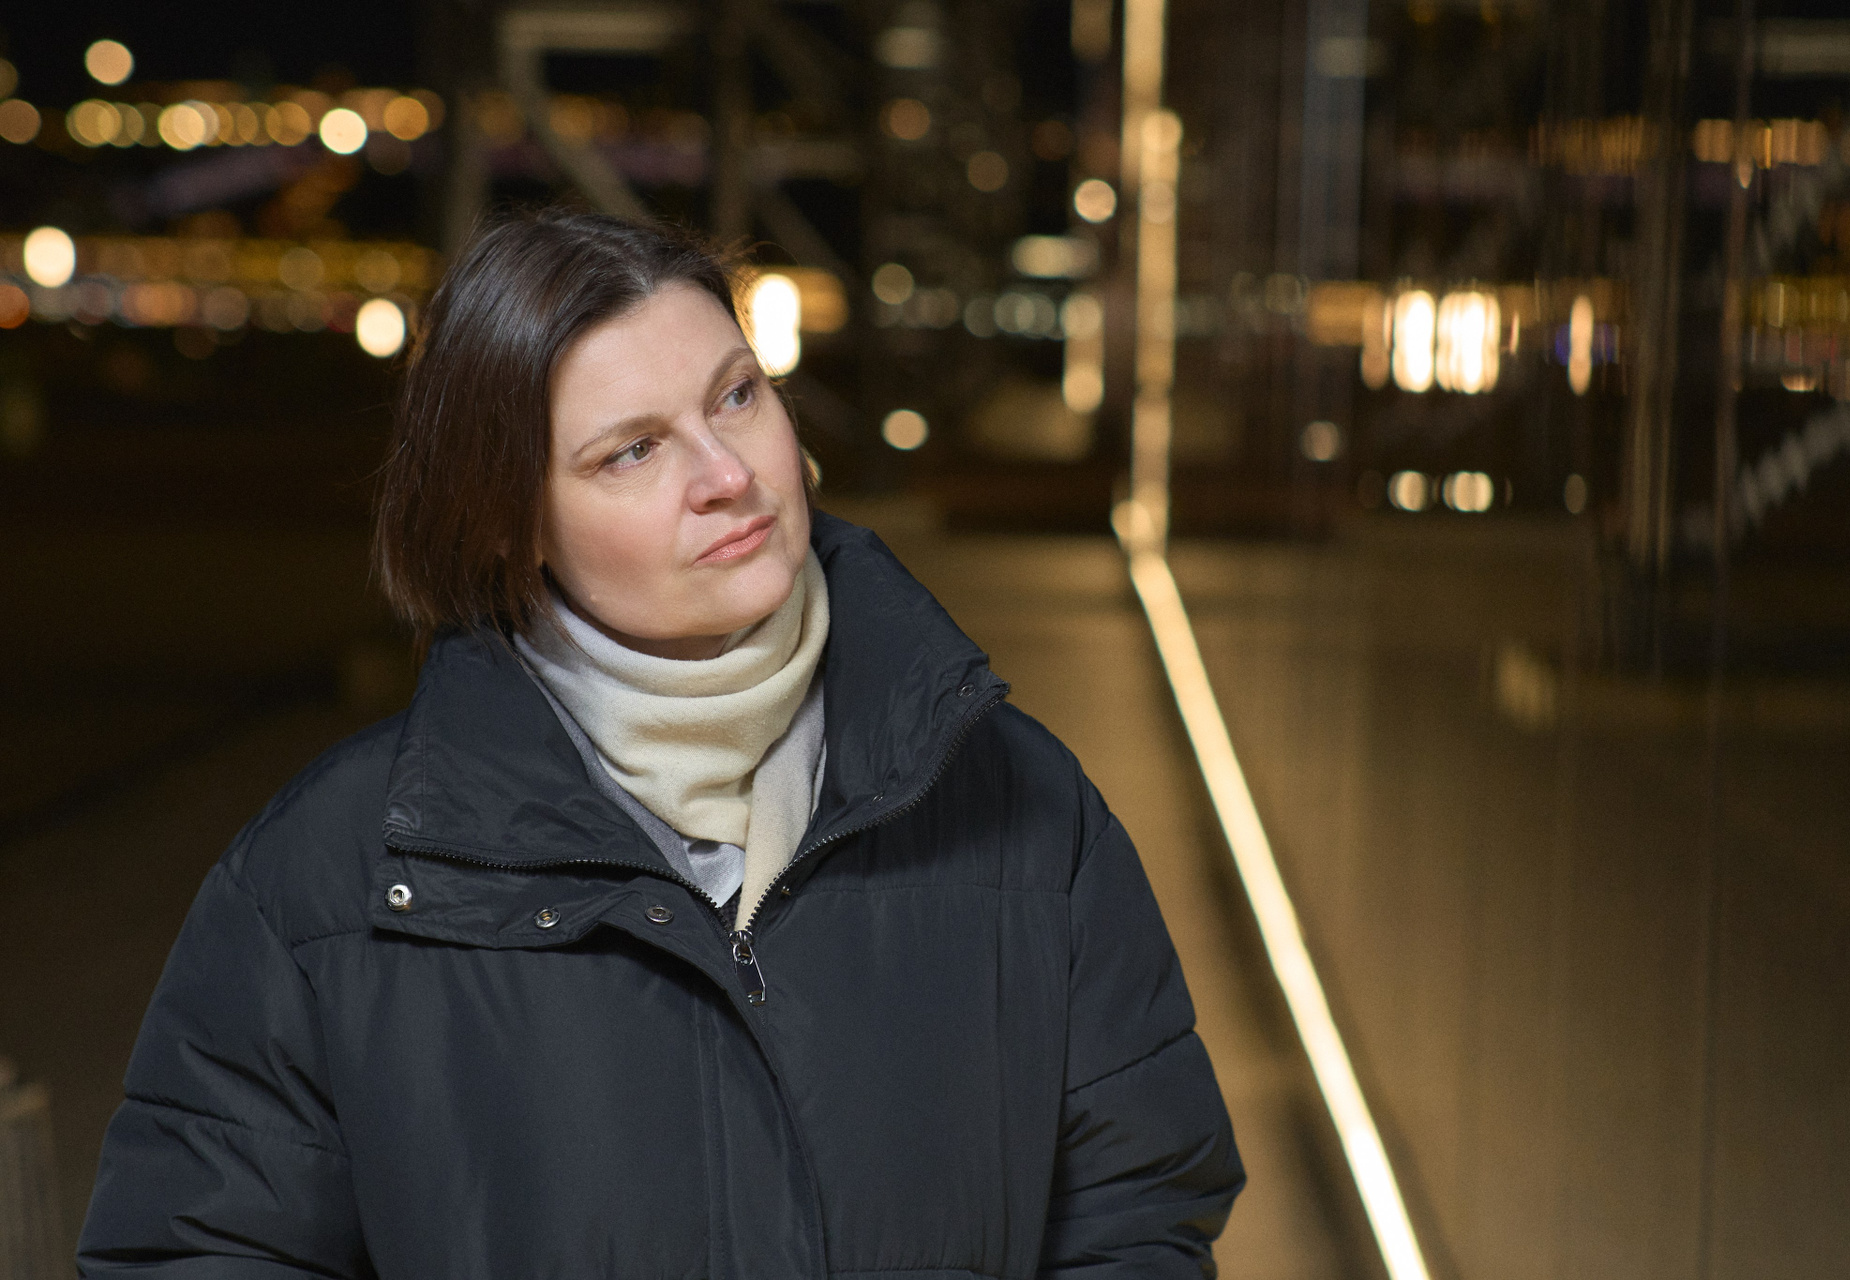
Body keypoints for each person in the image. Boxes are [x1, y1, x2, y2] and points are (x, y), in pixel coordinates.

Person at [77, 209, 1243, 1278]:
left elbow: (1137, 1211)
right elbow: (199, 1250)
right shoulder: (325, 882)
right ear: (510, 523)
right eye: (631, 451)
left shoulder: (1024, 808)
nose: (728, 475)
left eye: (736, 395)